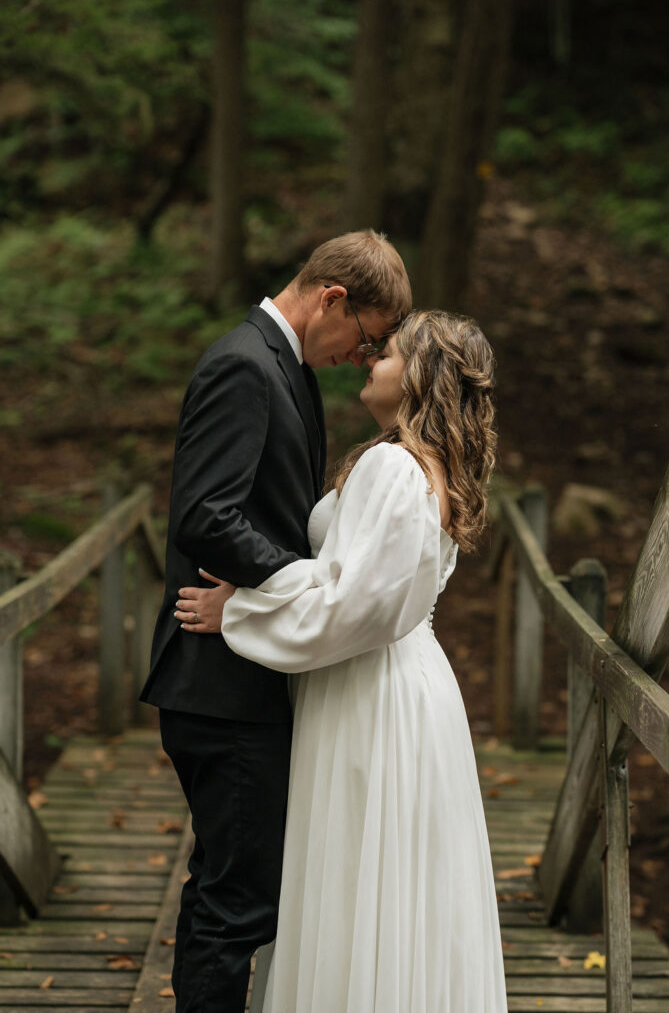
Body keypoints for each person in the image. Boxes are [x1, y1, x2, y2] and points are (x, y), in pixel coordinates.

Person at [176, 310, 508, 1012]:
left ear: (419, 375)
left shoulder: (394, 467)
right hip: (391, 680)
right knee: (390, 882)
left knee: (364, 876)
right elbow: (353, 588)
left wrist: (237, 610)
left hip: (372, 690)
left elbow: (357, 607)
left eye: (385, 352)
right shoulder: (416, 462)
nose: (369, 361)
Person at [139, 230, 412, 1013]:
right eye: (364, 339)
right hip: (219, 684)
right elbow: (206, 514)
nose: (359, 359)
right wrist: (306, 586)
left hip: (245, 675)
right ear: (331, 298)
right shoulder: (244, 363)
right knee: (238, 902)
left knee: (239, 888)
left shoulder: (278, 365)